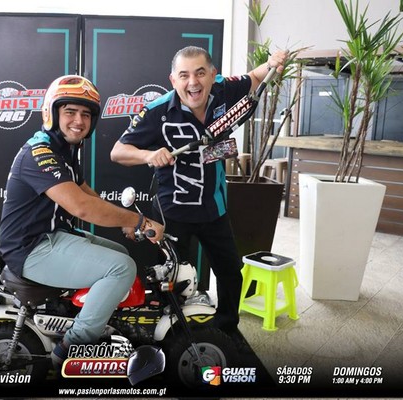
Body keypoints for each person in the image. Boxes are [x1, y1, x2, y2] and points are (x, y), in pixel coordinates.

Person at [110, 46, 287, 349]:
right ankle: (173, 337)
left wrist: (273, 63)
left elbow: (257, 77)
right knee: (172, 280)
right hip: (172, 214)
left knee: (231, 274)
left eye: (200, 73)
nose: (193, 82)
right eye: (184, 75)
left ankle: (226, 331)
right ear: (173, 80)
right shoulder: (157, 111)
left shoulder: (224, 91)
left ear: (212, 75)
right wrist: (148, 155)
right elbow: (118, 152)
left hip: (214, 210)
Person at [0, 74, 165, 368]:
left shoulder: (62, 149)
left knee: (120, 253)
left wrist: (124, 221)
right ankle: (72, 345)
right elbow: (82, 207)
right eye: (70, 112)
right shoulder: (40, 153)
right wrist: (139, 221)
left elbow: (86, 192)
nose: (79, 120)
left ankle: (96, 319)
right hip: (30, 249)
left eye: (86, 114)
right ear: (51, 113)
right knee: (121, 267)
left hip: (50, 237)